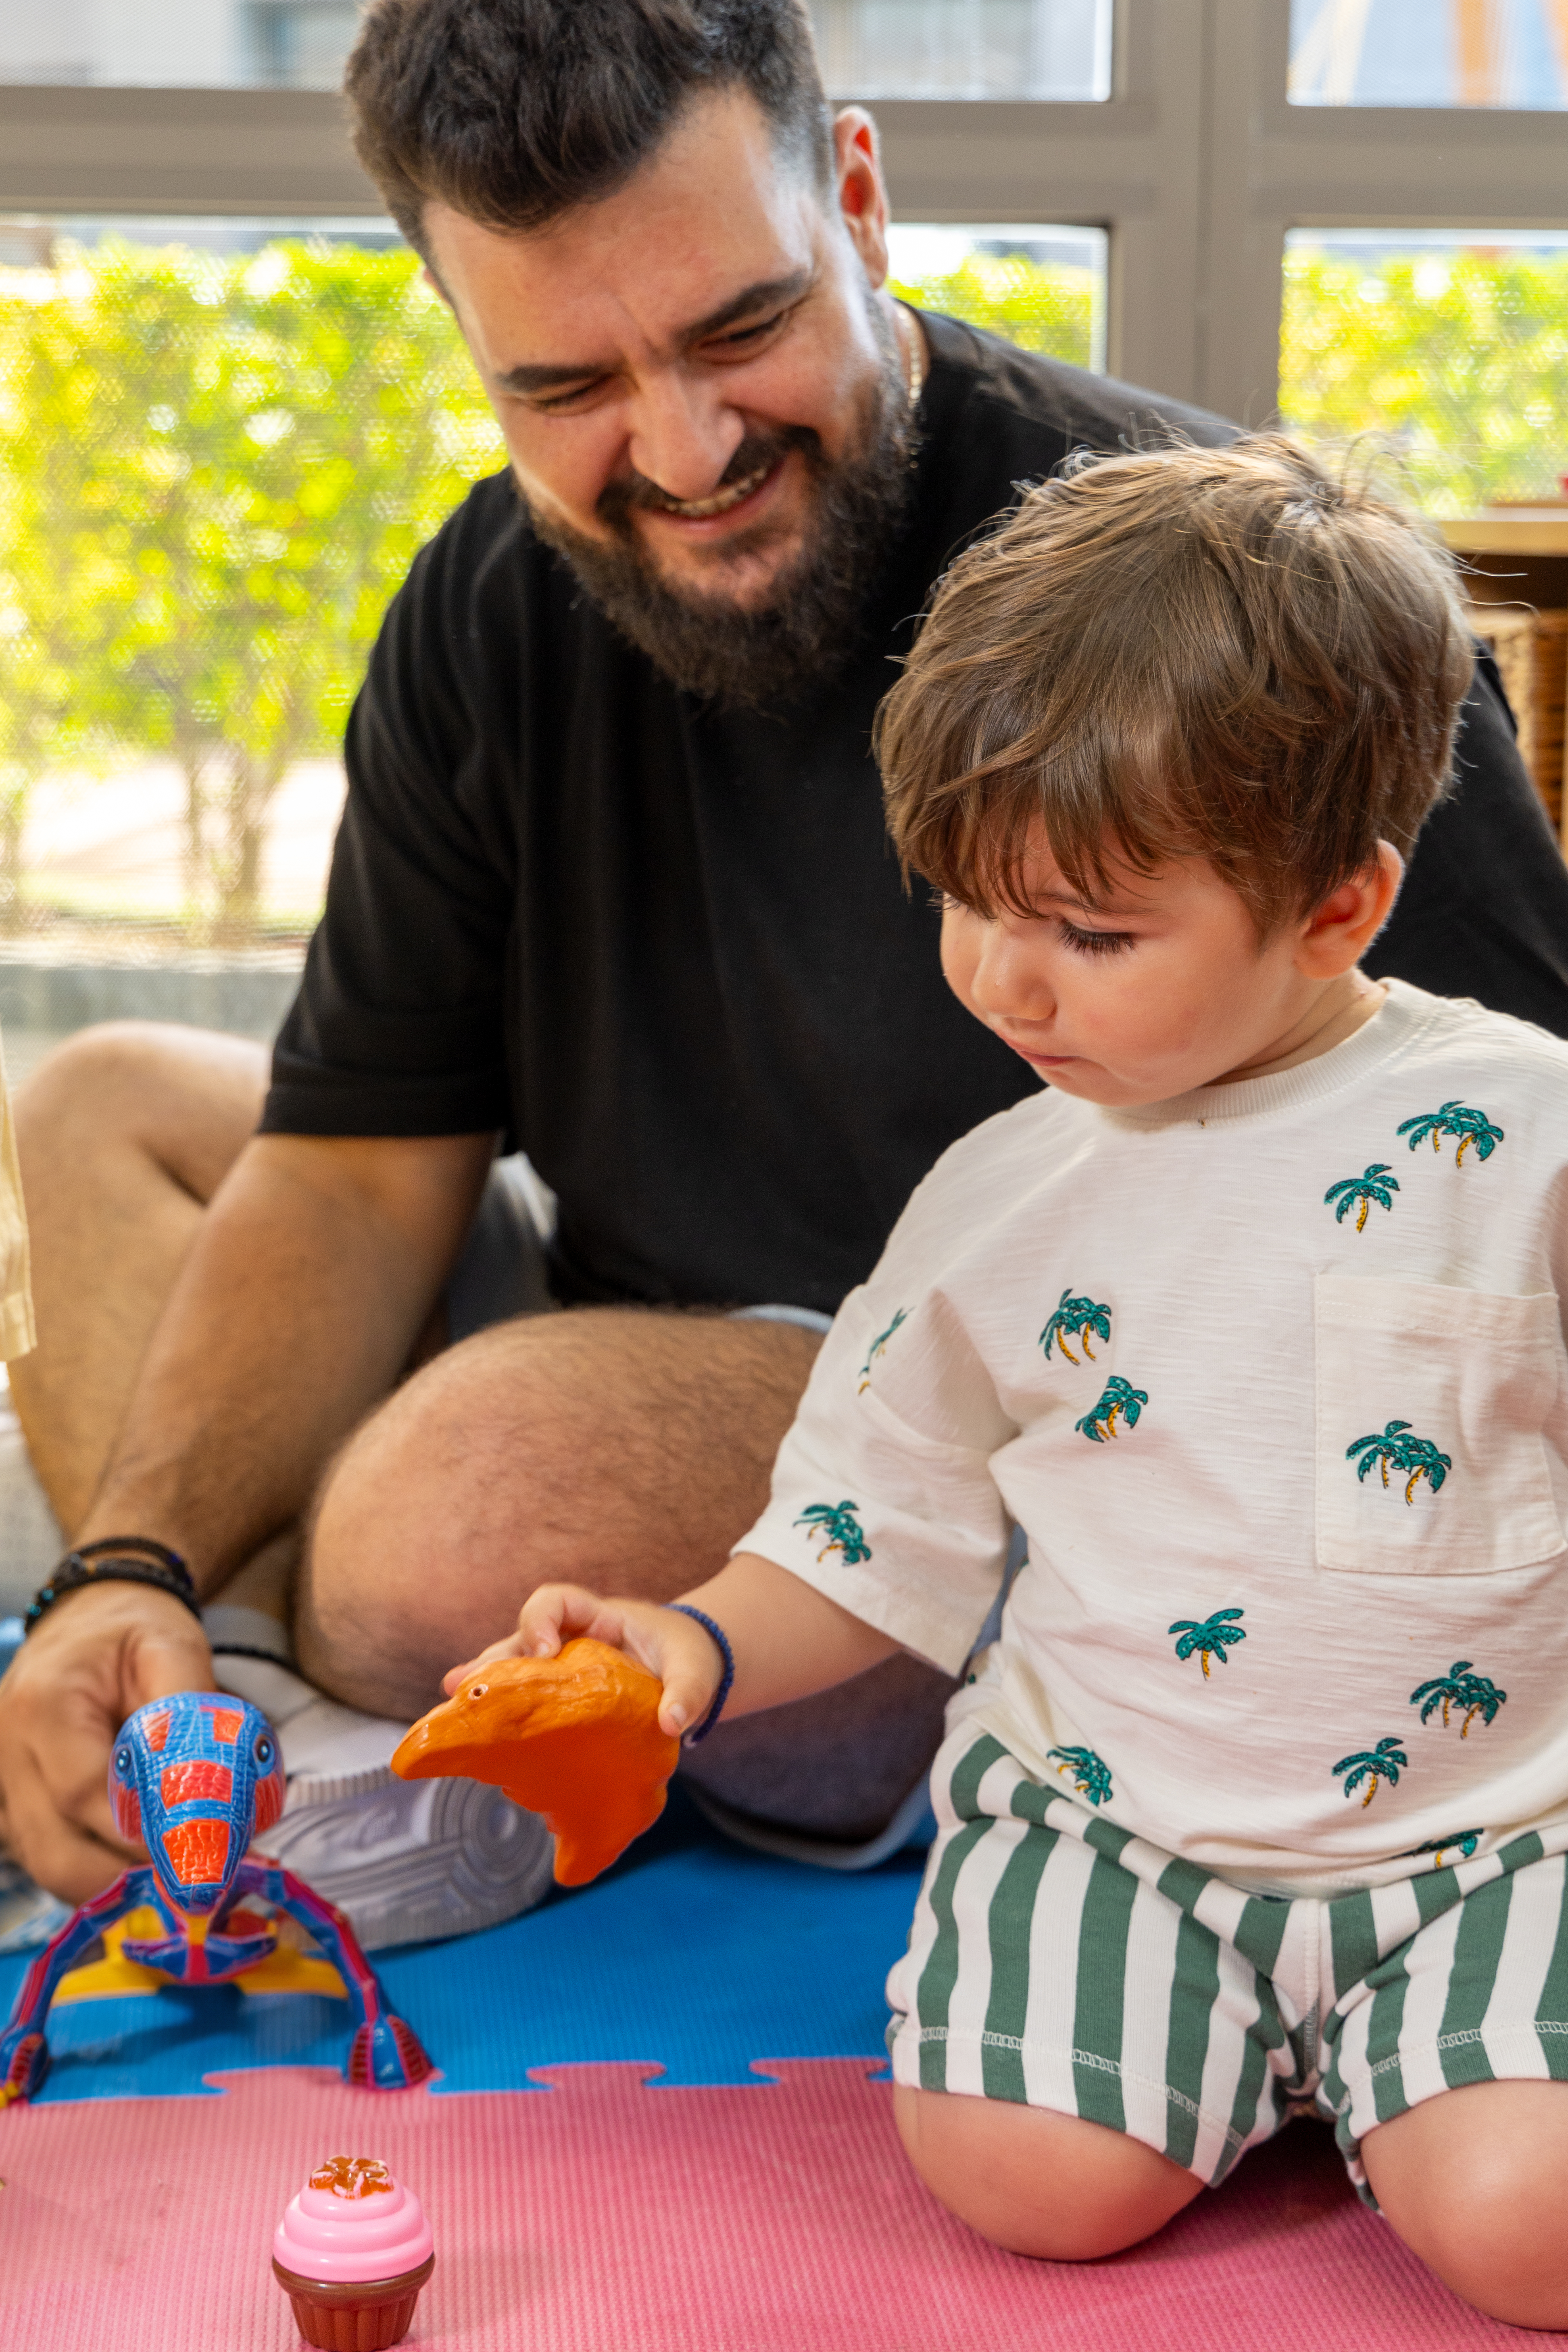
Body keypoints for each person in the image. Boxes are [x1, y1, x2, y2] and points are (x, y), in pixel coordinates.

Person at [4, 0, 1568, 1910]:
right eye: (567, 382)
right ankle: (221, 1722)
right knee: (101, 1109)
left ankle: (396, 1724)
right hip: (635, 1327)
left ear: (857, 195)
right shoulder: (488, 606)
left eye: (741, 328)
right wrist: (129, 1570)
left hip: (1027, 1412)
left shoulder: (1216, 605)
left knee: (443, 1507)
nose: (683, 445)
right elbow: (358, 1153)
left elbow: (1486, 1200)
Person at [475, 436, 1568, 2327]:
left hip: (1498, 1835)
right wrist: (688, 1653)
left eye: (1092, 931)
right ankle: (1274, 2071)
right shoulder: (998, 1202)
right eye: (966, 900)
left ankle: (1418, 2084)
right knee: (1029, 2184)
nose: (1005, 981)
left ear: (1338, 909)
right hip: (1118, 1822)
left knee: (1536, 2236)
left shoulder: (1528, 1136)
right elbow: (862, 1529)